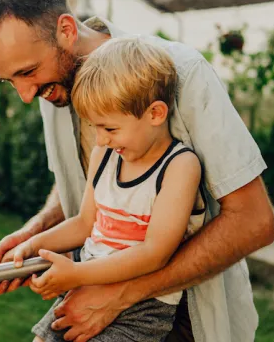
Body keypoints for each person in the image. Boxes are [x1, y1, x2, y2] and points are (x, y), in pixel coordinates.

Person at [0, 0, 274, 341]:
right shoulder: (51, 83)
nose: (24, 94)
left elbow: (253, 221)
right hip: (93, 290)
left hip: (183, 314)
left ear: (66, 30)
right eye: (9, 81)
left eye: (27, 72)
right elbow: (89, 182)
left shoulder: (182, 72)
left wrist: (119, 295)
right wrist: (34, 235)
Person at [14, 37, 206, 342]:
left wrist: (76, 274)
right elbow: (83, 223)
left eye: (110, 129)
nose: (100, 140)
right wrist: (34, 244)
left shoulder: (179, 166)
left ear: (155, 114)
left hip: (141, 306)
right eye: (94, 128)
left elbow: (154, 254)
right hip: (87, 283)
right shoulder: (106, 154)